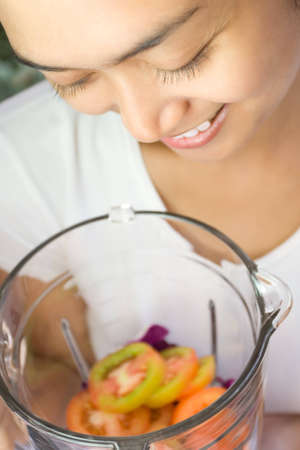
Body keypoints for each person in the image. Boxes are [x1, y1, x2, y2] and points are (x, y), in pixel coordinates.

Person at [0, 0, 299, 448]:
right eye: (72, 80)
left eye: (182, 58)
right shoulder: (21, 167)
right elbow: (48, 372)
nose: (141, 124)